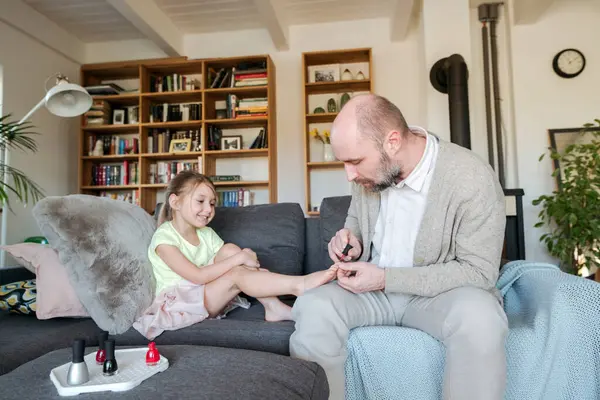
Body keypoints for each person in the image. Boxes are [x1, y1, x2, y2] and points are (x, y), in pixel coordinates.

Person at [289, 94, 508, 400]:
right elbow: (355, 221)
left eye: (354, 161)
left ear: (392, 142)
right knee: (314, 306)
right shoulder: (371, 174)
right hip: (373, 295)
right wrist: (349, 240)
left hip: (437, 297)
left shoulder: (471, 178)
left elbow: (480, 273)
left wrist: (385, 277)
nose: (349, 175)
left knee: (481, 317)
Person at [133, 170, 337, 339]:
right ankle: (298, 285)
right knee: (235, 268)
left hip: (204, 294)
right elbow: (197, 276)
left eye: (212, 203)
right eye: (201, 201)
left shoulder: (205, 234)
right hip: (180, 304)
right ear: (175, 202)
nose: (208, 210)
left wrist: (245, 261)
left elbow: (231, 260)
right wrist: (240, 260)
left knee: (230, 250)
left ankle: (273, 306)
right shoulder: (164, 238)